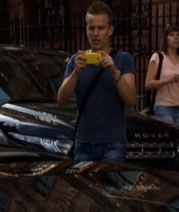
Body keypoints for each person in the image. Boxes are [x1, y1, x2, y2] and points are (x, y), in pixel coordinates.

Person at [57, 1, 137, 162]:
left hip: (113, 143)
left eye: (101, 28)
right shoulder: (76, 60)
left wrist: (114, 71)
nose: (95, 33)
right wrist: (75, 73)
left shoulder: (123, 59)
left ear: (110, 30)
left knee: (111, 187)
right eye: (91, 28)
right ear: (86, 30)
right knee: (83, 187)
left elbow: (131, 100)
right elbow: (62, 99)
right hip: (84, 142)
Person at [145, 23, 179, 128]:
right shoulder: (158, 57)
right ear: (166, 38)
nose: (176, 37)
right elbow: (148, 84)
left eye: (178, 35)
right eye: (172, 35)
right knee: (169, 131)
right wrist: (167, 80)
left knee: (176, 138)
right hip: (162, 105)